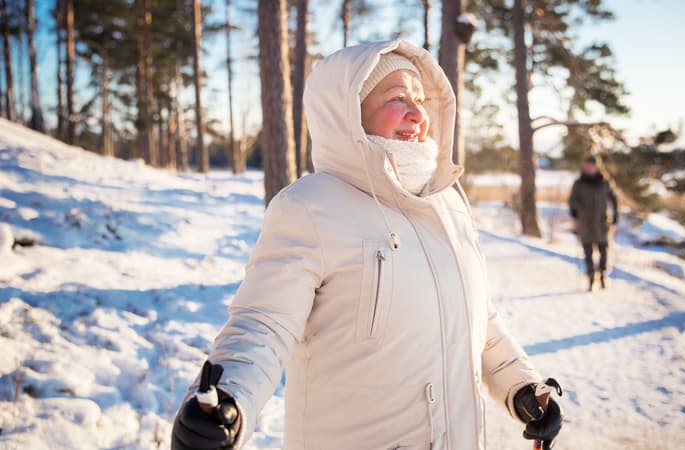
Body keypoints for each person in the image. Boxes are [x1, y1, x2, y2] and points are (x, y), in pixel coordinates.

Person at [171, 40, 563, 450]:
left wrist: (522, 386)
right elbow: (263, 323)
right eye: (397, 98)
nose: (417, 113)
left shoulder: (447, 200)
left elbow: (477, 316)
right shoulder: (310, 206)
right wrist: (229, 399)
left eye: (420, 99)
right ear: (349, 113)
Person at [569, 156, 618, 291]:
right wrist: (575, 211)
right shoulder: (579, 183)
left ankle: (602, 275)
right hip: (585, 223)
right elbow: (573, 199)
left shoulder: (604, 182)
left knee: (604, 251)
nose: (589, 168)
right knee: (588, 252)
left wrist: (615, 215)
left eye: (591, 165)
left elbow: (614, 199)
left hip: (602, 222)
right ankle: (591, 277)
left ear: (597, 167)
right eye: (587, 165)